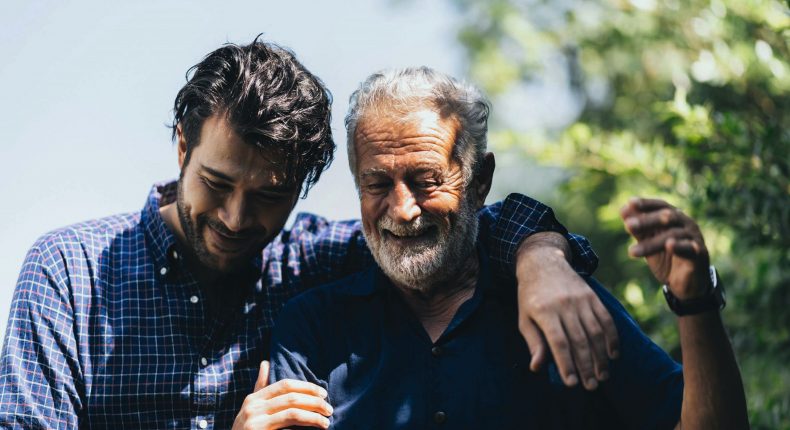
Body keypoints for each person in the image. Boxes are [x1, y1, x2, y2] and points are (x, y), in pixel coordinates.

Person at [0, 40, 616, 429]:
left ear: (301, 189)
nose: (238, 219)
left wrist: (542, 257)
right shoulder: (68, 275)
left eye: (269, 196)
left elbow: (453, 222)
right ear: (182, 147)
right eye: (217, 183)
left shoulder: (311, 262)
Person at [267, 67, 749, 429]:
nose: (403, 209)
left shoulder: (561, 299)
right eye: (376, 183)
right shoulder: (312, 328)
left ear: (480, 182)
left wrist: (696, 301)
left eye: (426, 180)